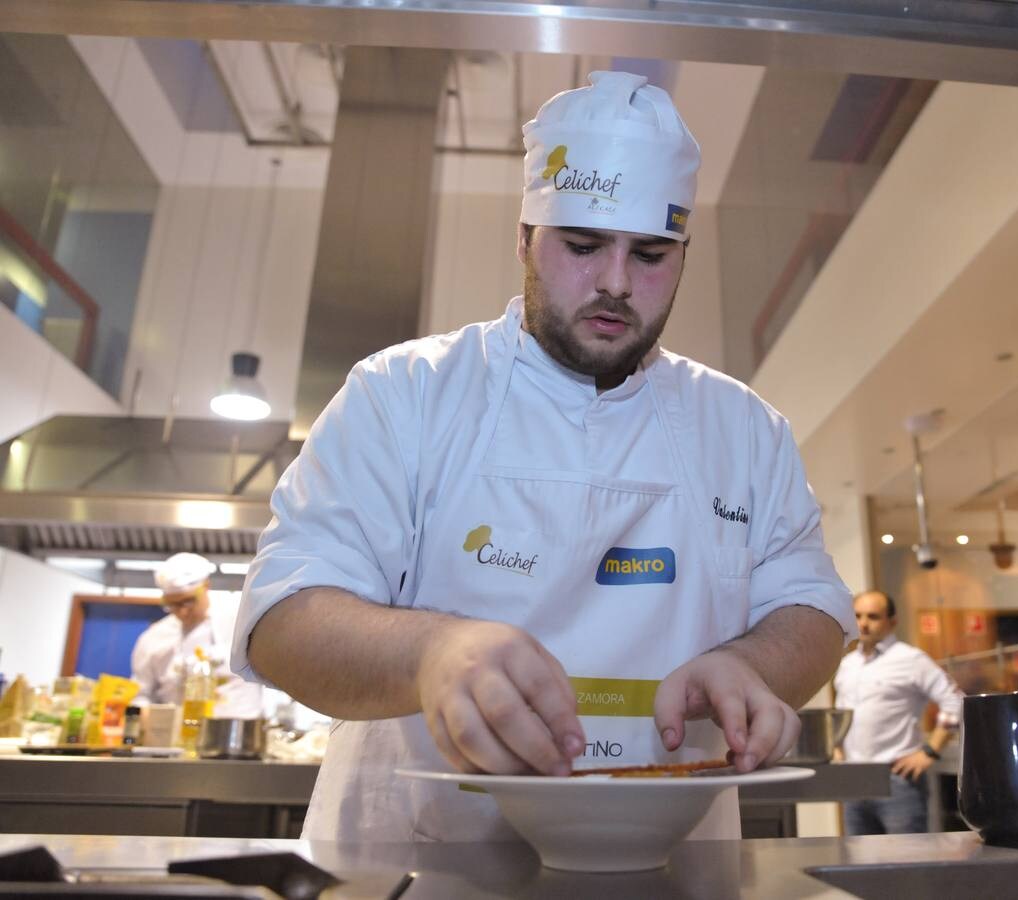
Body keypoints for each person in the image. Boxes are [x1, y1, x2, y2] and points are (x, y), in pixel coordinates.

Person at [232, 70, 857, 843]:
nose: (617, 283)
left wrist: (755, 664)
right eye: (584, 245)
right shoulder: (405, 393)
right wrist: (433, 652)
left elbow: (814, 610)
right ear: (525, 239)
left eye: (653, 254)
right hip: (420, 857)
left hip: (668, 865)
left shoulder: (745, 429)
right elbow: (283, 620)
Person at [833, 590, 963, 835]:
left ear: (892, 621)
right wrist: (837, 748)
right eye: (857, 616)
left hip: (897, 779)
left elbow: (956, 702)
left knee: (906, 863)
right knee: (859, 865)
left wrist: (930, 751)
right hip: (853, 780)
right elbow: (842, 713)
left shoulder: (911, 659)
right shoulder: (847, 664)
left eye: (873, 616)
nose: (863, 623)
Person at [132, 552, 263, 718]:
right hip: (177, 734)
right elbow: (141, 693)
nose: (182, 611)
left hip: (239, 729)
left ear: (206, 586)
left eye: (188, 601)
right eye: (172, 604)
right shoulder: (153, 638)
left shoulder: (239, 621)